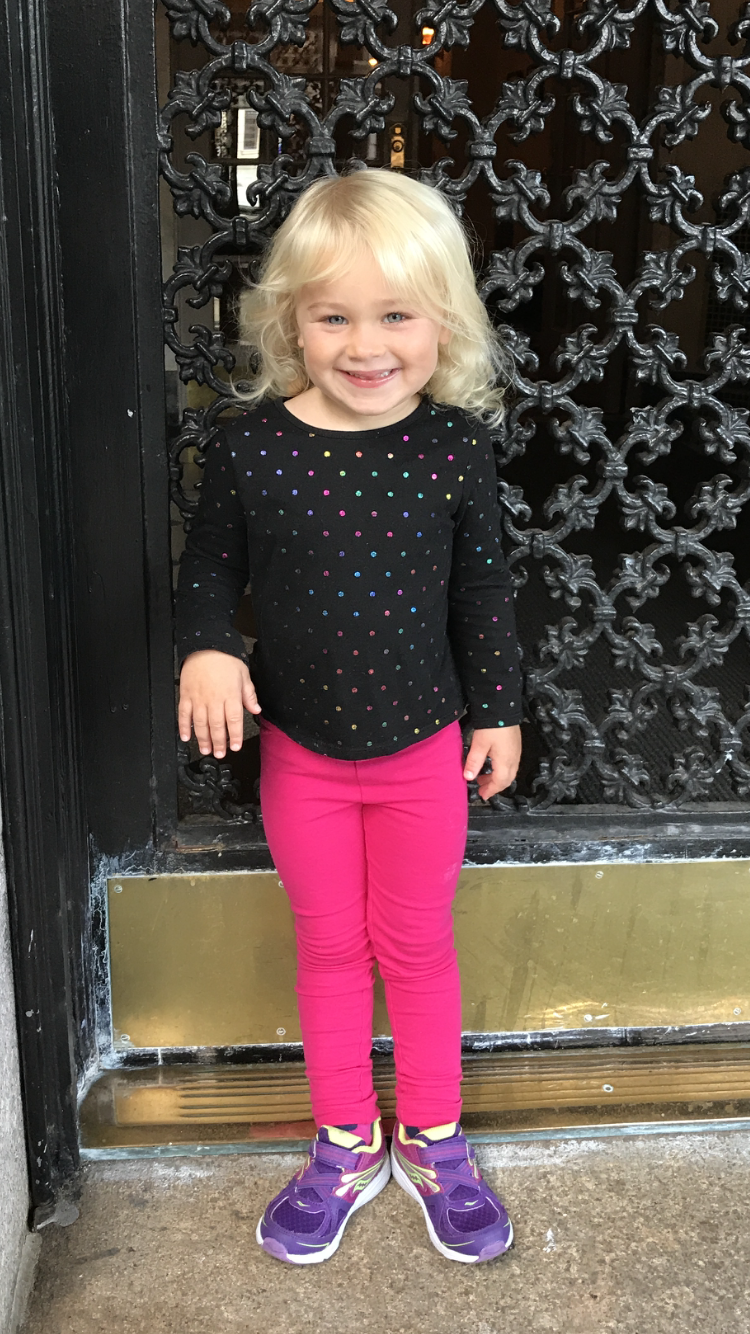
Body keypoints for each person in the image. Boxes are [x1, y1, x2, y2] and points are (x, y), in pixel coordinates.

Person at [175, 168, 523, 1266]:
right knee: (329, 945)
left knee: (415, 945)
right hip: (304, 757)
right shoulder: (250, 447)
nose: (366, 345)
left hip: (424, 750)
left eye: (395, 316)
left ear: (444, 321)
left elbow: (483, 590)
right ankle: (343, 1140)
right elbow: (208, 568)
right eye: (334, 317)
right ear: (290, 321)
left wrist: (499, 711)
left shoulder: (456, 447)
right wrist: (207, 647)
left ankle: (434, 1137)